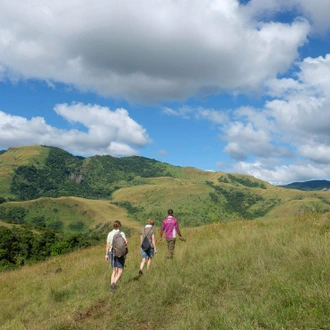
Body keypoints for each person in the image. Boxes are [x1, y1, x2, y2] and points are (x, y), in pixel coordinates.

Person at [105, 220, 127, 293]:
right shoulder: (122, 233)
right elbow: (126, 242)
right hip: (120, 253)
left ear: (113, 226)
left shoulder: (110, 234)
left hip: (112, 252)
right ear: (119, 226)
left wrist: (106, 255)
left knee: (114, 270)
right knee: (120, 270)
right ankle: (114, 284)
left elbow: (108, 245)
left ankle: (112, 288)